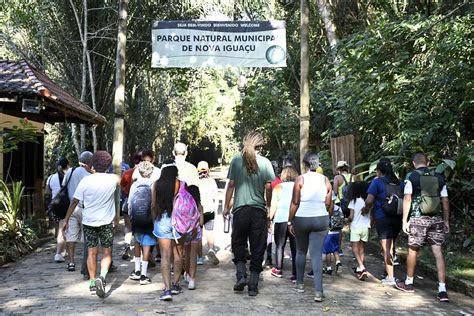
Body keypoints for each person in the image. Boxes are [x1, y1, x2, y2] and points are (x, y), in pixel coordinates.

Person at [223, 132, 275, 296]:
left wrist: (226, 206)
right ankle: (253, 285)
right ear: (260, 147)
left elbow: (231, 184)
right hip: (258, 211)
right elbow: (268, 187)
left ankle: (240, 275)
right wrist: (267, 205)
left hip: (240, 210)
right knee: (258, 246)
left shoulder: (237, 161)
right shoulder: (265, 162)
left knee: (238, 243)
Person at [63, 151, 119, 298]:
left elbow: (74, 201)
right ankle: (103, 276)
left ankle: (93, 282)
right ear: (108, 164)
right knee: (107, 252)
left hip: (88, 222)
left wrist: (67, 219)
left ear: (93, 163)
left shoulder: (86, 181)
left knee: (91, 252)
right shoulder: (113, 179)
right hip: (106, 222)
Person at [395, 153, 451, 302]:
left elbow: (407, 198)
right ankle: (442, 290)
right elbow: (445, 201)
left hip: (418, 219)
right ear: (428, 161)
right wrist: (445, 220)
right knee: (438, 252)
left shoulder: (411, 176)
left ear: (414, 163)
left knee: (413, 250)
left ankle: (409, 283)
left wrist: (404, 220)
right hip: (436, 219)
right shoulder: (439, 177)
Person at [288, 152, 332, 302]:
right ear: (318, 164)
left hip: (302, 218)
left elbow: (295, 202)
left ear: (305, 165)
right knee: (316, 254)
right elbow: (328, 203)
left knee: (301, 251)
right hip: (321, 219)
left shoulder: (300, 179)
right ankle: (318, 292)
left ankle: (300, 284)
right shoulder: (326, 180)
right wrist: (325, 215)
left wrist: (290, 221)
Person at [365, 160, 403, 286]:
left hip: (383, 217)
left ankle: (391, 278)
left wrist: (365, 209)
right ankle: (387, 272)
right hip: (397, 217)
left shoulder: (377, 182)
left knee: (386, 248)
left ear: (379, 171)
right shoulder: (400, 182)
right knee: (391, 246)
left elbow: (369, 200)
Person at [151, 160, 185, 301]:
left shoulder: (156, 184)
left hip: (162, 220)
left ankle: (167, 289)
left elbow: (153, 205)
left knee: (165, 256)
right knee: (178, 254)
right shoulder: (181, 184)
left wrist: (154, 221)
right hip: (178, 221)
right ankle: (176, 283)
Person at [62, 151, 93, 272]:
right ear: (89, 162)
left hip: (72, 208)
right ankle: (87, 263)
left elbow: (64, 185)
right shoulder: (89, 174)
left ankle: (71, 262)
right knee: (88, 236)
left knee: (71, 236)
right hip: (85, 208)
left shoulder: (70, 171)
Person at [128, 161, 156, 285]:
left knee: (137, 242)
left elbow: (129, 203)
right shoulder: (154, 184)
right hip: (149, 218)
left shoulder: (134, 185)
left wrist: (131, 217)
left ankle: (137, 270)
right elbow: (155, 203)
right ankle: (144, 274)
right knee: (147, 245)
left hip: (136, 218)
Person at [269, 165, 298, 281]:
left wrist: (269, 219)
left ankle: (278, 269)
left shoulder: (278, 187)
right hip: (294, 219)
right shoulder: (298, 187)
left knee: (280, 245)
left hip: (280, 219)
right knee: (294, 247)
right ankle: (295, 273)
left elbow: (274, 204)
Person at [45, 156, 69, 263]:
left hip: (55, 206)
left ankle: (62, 250)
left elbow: (47, 192)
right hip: (66, 206)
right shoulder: (68, 176)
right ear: (67, 165)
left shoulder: (50, 178)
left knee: (59, 229)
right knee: (63, 231)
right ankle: (59, 253)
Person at [120, 151, 143, 261]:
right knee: (140, 229)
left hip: (127, 202)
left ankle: (126, 248)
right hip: (141, 205)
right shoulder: (146, 173)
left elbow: (122, 188)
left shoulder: (127, 173)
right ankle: (141, 253)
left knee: (128, 228)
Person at [197, 160, 220, 265]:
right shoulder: (211, 181)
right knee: (210, 232)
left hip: (198, 211)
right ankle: (211, 250)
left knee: (199, 234)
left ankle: (200, 257)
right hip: (210, 210)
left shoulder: (195, 180)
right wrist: (215, 207)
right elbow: (216, 195)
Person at [347, 181, 370, 280]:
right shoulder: (367, 201)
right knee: (361, 249)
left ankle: (362, 267)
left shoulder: (353, 201)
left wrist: (347, 220)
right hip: (365, 227)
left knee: (354, 248)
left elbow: (351, 216)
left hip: (356, 227)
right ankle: (360, 269)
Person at [183, 185, 204, 290]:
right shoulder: (199, 206)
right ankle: (192, 279)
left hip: (186, 231)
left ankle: (186, 273)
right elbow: (201, 222)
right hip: (196, 232)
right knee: (193, 256)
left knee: (186, 255)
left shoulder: (185, 204)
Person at [333, 161, 353, 256]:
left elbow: (335, 192)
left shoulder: (337, 178)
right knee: (353, 227)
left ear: (339, 169)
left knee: (338, 227)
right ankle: (354, 251)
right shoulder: (354, 177)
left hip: (339, 204)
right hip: (352, 204)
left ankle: (339, 249)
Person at [322, 202, 344, 276]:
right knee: (335, 249)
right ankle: (338, 262)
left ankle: (329, 268)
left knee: (328, 251)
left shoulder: (325, 207)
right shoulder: (338, 208)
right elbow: (342, 219)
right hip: (337, 232)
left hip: (329, 232)